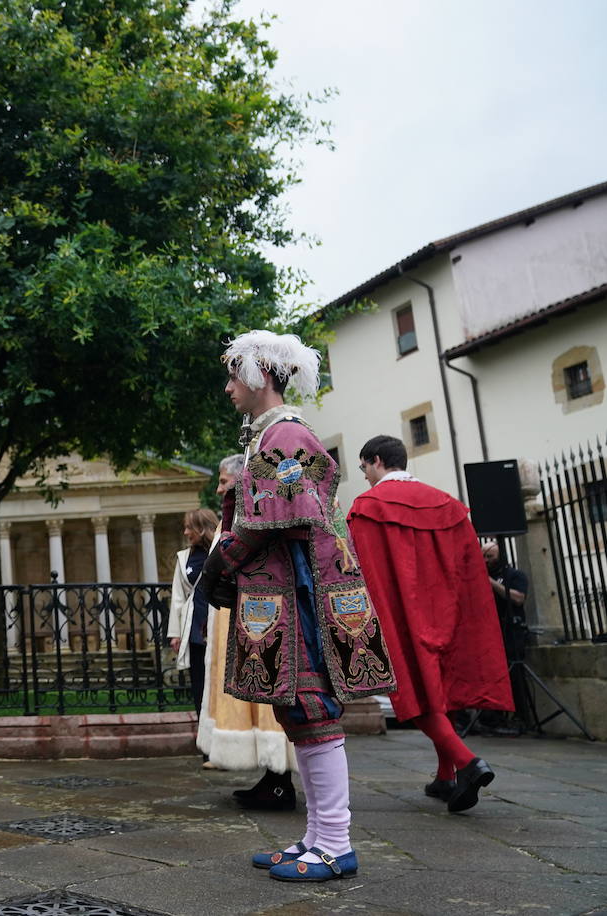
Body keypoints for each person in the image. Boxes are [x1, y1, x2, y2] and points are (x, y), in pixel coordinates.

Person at [199, 330, 396, 883]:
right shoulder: (270, 434)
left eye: (234, 376)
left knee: (311, 707)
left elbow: (277, 514)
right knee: (296, 711)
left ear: (260, 374)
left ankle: (335, 843)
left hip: (301, 592)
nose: (229, 387)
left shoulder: (286, 432)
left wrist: (222, 561)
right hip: (285, 587)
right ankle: (316, 837)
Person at [348, 435, 513, 812]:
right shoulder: (449, 506)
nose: (365, 476)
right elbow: (469, 570)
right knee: (440, 687)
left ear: (376, 461)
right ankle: (445, 776)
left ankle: (467, 763)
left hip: (402, 613)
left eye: (363, 467)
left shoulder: (368, 507)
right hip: (447, 611)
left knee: (411, 690)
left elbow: (361, 570)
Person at [196, 454, 298, 812]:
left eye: (224, 481)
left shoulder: (252, 516)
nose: (218, 488)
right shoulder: (236, 515)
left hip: (257, 621)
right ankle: (273, 778)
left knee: (266, 701)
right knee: (254, 701)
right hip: (241, 620)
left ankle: (280, 781)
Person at [168, 508, 218, 718]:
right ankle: (203, 733)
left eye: (190, 527)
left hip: (220, 629)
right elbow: (178, 597)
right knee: (199, 687)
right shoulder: (184, 558)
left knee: (220, 685)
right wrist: (176, 633)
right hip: (195, 632)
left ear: (202, 528)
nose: (186, 532)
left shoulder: (221, 551)